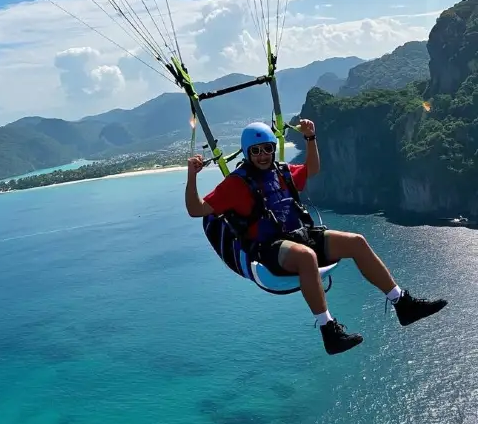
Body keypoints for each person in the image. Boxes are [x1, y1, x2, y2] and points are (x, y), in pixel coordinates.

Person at [185, 119, 448, 355]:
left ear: (273, 149)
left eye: (267, 148)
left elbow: (313, 168)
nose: (263, 155)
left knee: (356, 241)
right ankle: (329, 330)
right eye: (256, 151)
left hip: (300, 234)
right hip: (269, 248)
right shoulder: (235, 184)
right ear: (247, 153)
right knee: (306, 257)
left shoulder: (281, 172)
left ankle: (401, 303)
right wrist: (192, 176)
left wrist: (310, 138)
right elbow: (196, 209)